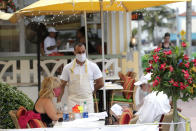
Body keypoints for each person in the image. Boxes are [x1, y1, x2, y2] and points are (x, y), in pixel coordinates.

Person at [58, 43, 104, 113]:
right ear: (74, 52)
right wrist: (58, 101)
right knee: (74, 122)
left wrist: (91, 90)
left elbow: (101, 83)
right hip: (73, 102)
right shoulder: (68, 67)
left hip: (87, 102)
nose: (81, 54)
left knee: (88, 122)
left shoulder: (92, 66)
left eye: (83, 52)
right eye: (79, 52)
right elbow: (62, 85)